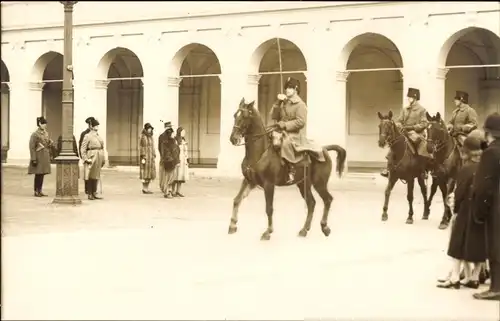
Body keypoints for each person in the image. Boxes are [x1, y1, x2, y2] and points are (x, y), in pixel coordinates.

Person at [437, 135, 487, 289]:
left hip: (466, 210)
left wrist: (455, 209)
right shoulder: (486, 167)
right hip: (481, 210)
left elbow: (459, 193)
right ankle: (474, 277)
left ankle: (455, 277)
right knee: (477, 244)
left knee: (457, 243)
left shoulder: (465, 168)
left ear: (467, 153)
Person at [270, 77, 321, 184]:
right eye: (286, 88)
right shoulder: (284, 103)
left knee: (285, 143)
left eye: (290, 88)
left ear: (296, 89)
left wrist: (285, 124)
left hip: (295, 134)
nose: (287, 90)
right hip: (282, 131)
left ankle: (291, 169)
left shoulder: (300, 105)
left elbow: (301, 122)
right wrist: (278, 103)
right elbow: (273, 116)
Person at [472, 112, 500, 300]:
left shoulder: (491, 153)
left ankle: (496, 288)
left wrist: (479, 211)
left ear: (488, 133)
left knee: (495, 245)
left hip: (496, 207)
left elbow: (483, 186)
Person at [381, 87, 433, 178]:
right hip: (404, 132)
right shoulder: (405, 109)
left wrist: (412, 127)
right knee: (395, 142)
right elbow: (399, 120)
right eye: (408, 97)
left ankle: (423, 170)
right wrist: (399, 125)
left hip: (416, 133)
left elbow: (424, 123)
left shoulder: (422, 110)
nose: (408, 99)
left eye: (410, 97)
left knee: (421, 146)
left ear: (415, 98)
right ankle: (389, 168)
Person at [80, 118, 106, 200]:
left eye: (97, 125)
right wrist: (85, 158)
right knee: (90, 175)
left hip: (98, 155)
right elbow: (83, 148)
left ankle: (94, 192)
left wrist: (103, 158)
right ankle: (90, 193)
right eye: (95, 125)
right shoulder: (87, 136)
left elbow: (102, 147)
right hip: (91, 155)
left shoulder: (98, 136)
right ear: (92, 126)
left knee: (96, 175)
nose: (97, 127)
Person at [28, 116, 54, 197]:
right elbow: (32, 147)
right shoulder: (35, 134)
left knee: (42, 174)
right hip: (38, 156)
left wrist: (50, 143)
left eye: (45, 124)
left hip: (44, 156)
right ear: (39, 124)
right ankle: (36, 191)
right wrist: (33, 158)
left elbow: (47, 144)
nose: (45, 125)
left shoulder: (46, 133)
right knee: (38, 174)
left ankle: (40, 190)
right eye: (43, 124)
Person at [158, 121, 180, 199]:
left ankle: (168, 190)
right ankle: (166, 191)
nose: (170, 128)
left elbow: (176, 149)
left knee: (170, 176)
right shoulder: (163, 137)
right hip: (167, 160)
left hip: (171, 160)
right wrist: (167, 158)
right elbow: (162, 150)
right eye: (169, 127)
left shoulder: (172, 139)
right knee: (166, 176)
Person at [79, 117, 95, 196]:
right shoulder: (84, 134)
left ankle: (93, 189)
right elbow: (81, 146)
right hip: (87, 154)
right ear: (89, 125)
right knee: (87, 173)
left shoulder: (95, 133)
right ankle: (87, 189)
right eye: (91, 124)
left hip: (94, 155)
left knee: (93, 173)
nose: (92, 126)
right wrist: (83, 157)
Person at [139, 122, 156, 194]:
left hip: (151, 157)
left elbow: (153, 146)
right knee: (145, 173)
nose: (150, 130)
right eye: (149, 128)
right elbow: (141, 147)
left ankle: (147, 188)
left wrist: (154, 154)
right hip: (145, 157)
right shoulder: (143, 136)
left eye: (151, 129)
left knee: (150, 174)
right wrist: (143, 155)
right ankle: (144, 188)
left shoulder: (151, 137)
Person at [173, 126, 189, 197]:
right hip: (178, 159)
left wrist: (187, 159)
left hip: (183, 160)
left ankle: (178, 191)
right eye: (183, 132)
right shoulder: (175, 140)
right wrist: (176, 160)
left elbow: (186, 151)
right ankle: (173, 191)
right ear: (179, 132)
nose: (184, 133)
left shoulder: (183, 140)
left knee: (181, 177)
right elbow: (174, 151)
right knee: (175, 176)